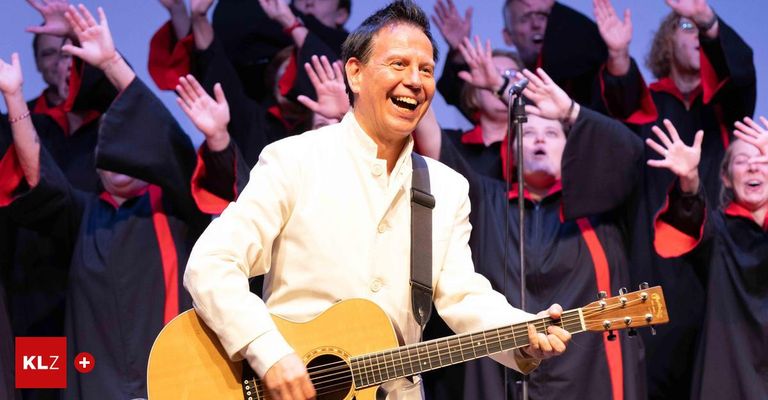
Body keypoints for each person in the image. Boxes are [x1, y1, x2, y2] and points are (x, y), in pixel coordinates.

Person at [183, 2, 571, 399]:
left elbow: (463, 295)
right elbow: (212, 264)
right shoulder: (295, 160)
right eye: (399, 64)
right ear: (355, 72)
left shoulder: (445, 187)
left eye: (425, 69)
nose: (415, 81)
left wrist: (520, 332)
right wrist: (268, 351)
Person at [0, 4, 220, 398]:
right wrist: (14, 97)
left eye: (66, 51)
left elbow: (154, 129)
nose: (115, 152)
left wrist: (105, 56)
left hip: (152, 347)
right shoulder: (79, 199)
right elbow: (40, 182)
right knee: (37, 387)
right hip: (41, 302)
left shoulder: (168, 200)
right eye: (48, 54)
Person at [414, 67, 647, 399]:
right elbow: (432, 141)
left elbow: (630, 153)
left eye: (552, 133)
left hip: (589, 373)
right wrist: (418, 80)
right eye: (528, 133)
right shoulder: (485, 200)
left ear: (572, 149)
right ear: (511, 148)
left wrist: (569, 111)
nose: (539, 139)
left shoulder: (598, 207)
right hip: (504, 371)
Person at [595, 1, 756, 397]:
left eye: (700, 31)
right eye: (686, 27)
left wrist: (705, 18)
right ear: (667, 41)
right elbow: (619, 101)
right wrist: (617, 54)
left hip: (716, 258)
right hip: (651, 257)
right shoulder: (649, 101)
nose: (697, 37)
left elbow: (741, 74)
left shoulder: (722, 107)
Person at [646, 117, 768, 400]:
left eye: (763, 159)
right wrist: (688, 180)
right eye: (742, 160)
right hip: (729, 373)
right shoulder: (717, 231)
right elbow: (688, 220)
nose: (753, 165)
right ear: (726, 177)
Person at [434, 0, 609, 123]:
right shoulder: (510, 85)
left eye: (542, 15)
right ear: (507, 36)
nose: (535, 24)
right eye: (525, 18)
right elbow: (463, 95)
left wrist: (553, 6)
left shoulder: (577, 72)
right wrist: (459, 51)